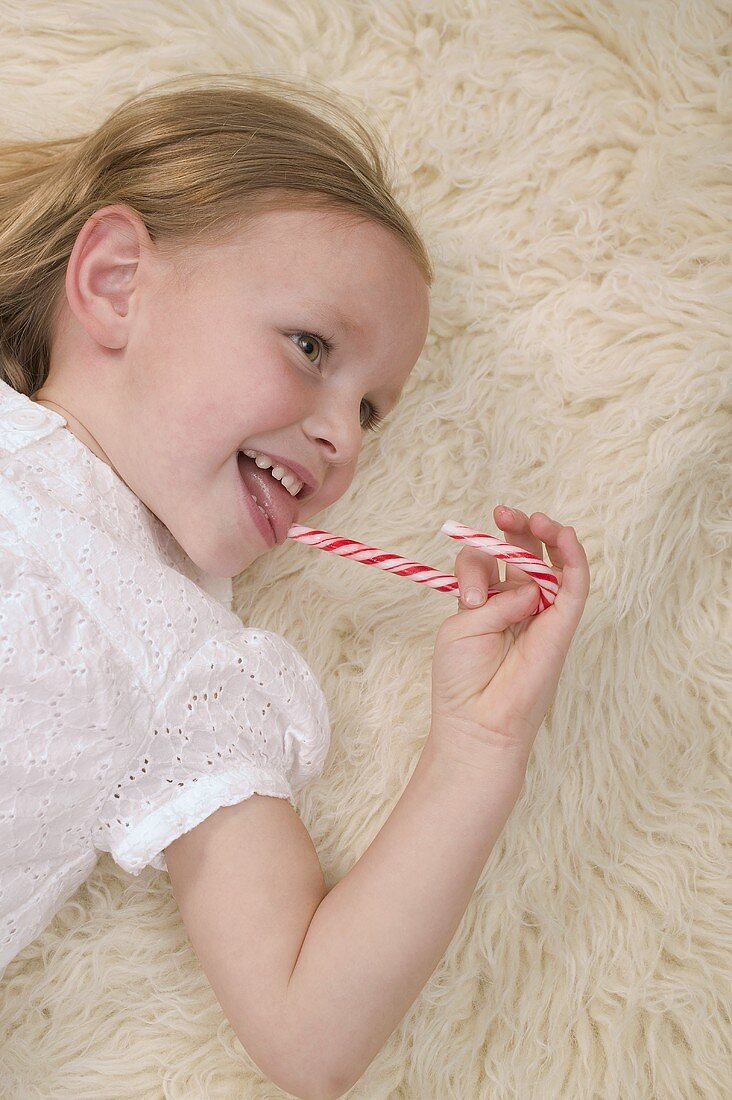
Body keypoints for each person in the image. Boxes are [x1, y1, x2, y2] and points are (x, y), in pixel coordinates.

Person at [0, 73, 590, 1098]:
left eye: (371, 411)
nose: (340, 436)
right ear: (115, 283)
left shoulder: (186, 663)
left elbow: (309, 1026)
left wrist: (480, 745)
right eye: (311, 347)